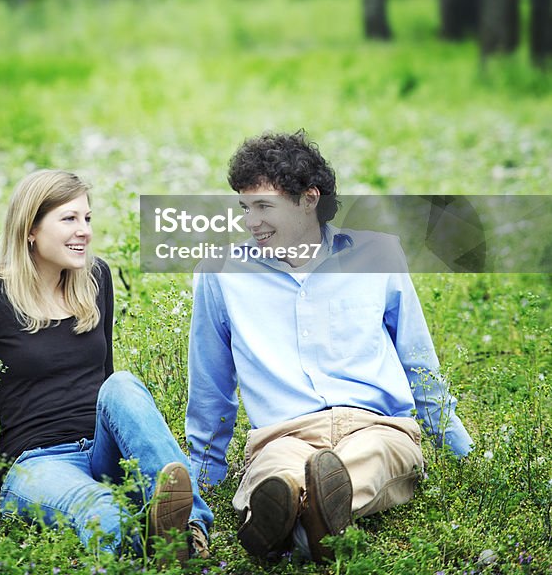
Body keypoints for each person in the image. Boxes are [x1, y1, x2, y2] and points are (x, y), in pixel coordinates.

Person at [185, 132, 472, 563]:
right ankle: (305, 517)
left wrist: (460, 455)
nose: (250, 221)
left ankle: (291, 526)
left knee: (372, 459)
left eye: (264, 207)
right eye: (245, 207)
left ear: (308, 200)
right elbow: (211, 384)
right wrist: (203, 477)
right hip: (283, 434)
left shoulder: (378, 255)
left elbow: (419, 363)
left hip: (376, 428)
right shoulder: (221, 273)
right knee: (275, 472)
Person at [0, 169, 212, 561]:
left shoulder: (95, 278)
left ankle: (191, 531)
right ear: (30, 228)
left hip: (101, 449)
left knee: (122, 384)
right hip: (36, 464)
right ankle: (148, 546)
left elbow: (106, 385)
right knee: (103, 512)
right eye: (69, 218)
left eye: (87, 218)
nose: (84, 230)